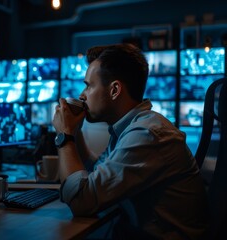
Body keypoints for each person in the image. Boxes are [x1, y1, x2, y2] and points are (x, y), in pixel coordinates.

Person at [52, 43, 208, 240]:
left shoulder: (147, 134)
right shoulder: (131, 129)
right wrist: (74, 133)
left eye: (89, 85)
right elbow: (93, 177)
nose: (82, 95)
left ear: (114, 90)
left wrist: (64, 136)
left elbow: (81, 200)